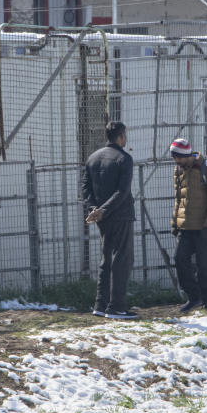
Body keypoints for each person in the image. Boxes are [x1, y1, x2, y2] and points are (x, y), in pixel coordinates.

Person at [81, 121, 138, 320]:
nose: (126, 138)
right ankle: (117, 308)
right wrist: (104, 210)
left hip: (101, 218)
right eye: (125, 135)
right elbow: (122, 192)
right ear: (121, 136)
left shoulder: (92, 158)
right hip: (120, 215)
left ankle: (100, 304)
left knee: (106, 260)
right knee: (122, 260)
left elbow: (85, 189)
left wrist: (94, 209)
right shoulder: (125, 159)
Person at [169, 138, 207, 312]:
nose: (177, 161)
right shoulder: (178, 170)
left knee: (204, 266)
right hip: (185, 227)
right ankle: (194, 297)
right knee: (179, 260)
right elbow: (179, 199)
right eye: (174, 158)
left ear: (187, 155)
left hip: (204, 227)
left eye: (179, 158)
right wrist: (175, 223)